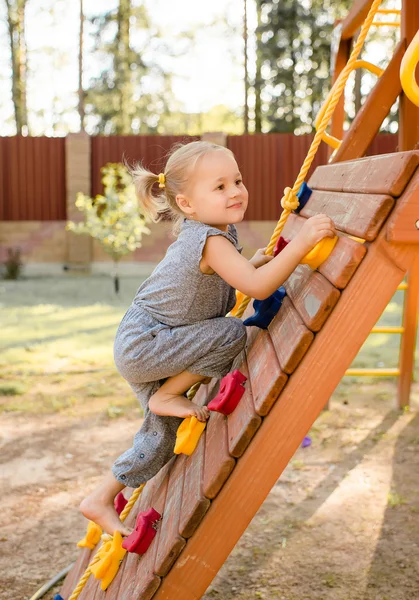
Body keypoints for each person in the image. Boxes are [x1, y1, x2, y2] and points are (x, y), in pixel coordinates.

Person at [80, 140, 335, 536]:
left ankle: (100, 497)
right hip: (148, 342)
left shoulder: (216, 233)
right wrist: (301, 245)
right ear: (187, 204)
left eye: (237, 180)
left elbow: (216, 283)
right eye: (219, 187)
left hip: (147, 341)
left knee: (160, 438)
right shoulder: (210, 240)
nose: (235, 191)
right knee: (232, 333)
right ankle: (167, 396)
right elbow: (260, 288)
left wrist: (246, 265)